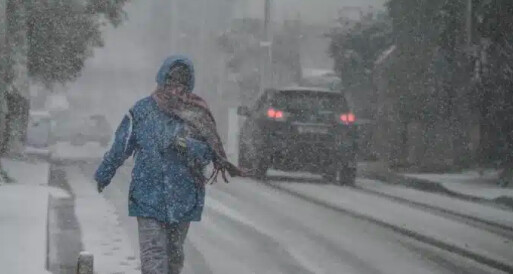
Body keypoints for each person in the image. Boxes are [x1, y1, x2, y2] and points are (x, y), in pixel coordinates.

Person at [94, 55, 244, 274]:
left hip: (183, 199)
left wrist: (186, 145)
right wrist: (104, 174)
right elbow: (121, 146)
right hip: (147, 197)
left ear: (189, 83)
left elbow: (207, 154)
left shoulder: (196, 113)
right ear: (161, 79)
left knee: (174, 259)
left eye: (181, 81)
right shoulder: (142, 111)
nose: (175, 87)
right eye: (171, 80)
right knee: (153, 257)